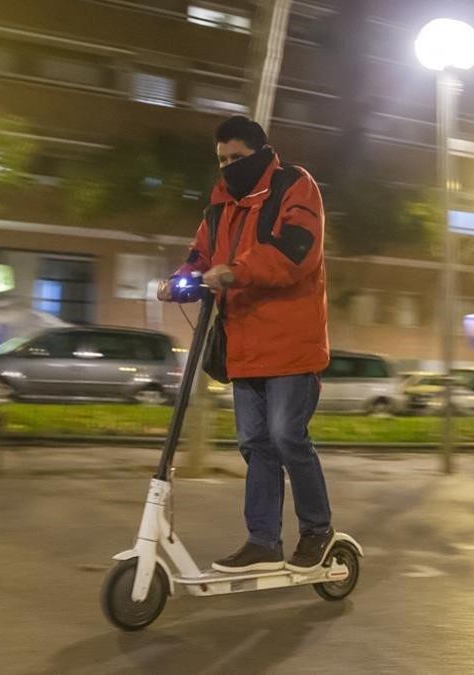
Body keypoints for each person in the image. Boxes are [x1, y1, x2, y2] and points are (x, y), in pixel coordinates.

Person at [158, 115, 333, 574]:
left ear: (259, 152)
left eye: (237, 158)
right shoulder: (219, 207)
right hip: (243, 345)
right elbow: (200, 256)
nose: (228, 167)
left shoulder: (294, 185)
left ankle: (317, 531)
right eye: (222, 160)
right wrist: (179, 281)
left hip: (291, 342)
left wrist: (237, 269)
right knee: (254, 443)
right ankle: (263, 541)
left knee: (286, 436)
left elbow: (298, 249)